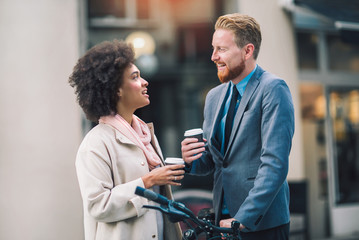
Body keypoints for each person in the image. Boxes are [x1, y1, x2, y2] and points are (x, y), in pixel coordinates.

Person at [181, 13, 294, 240]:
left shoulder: (273, 89)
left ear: (247, 51)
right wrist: (191, 159)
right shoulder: (214, 97)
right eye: (213, 48)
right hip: (222, 225)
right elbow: (214, 162)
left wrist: (242, 218)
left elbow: (275, 164)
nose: (213, 56)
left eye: (221, 49)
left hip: (262, 225)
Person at [69, 40, 183, 240]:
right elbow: (98, 206)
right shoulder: (95, 144)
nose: (145, 82)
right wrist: (148, 181)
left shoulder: (146, 134)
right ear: (116, 90)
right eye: (135, 77)